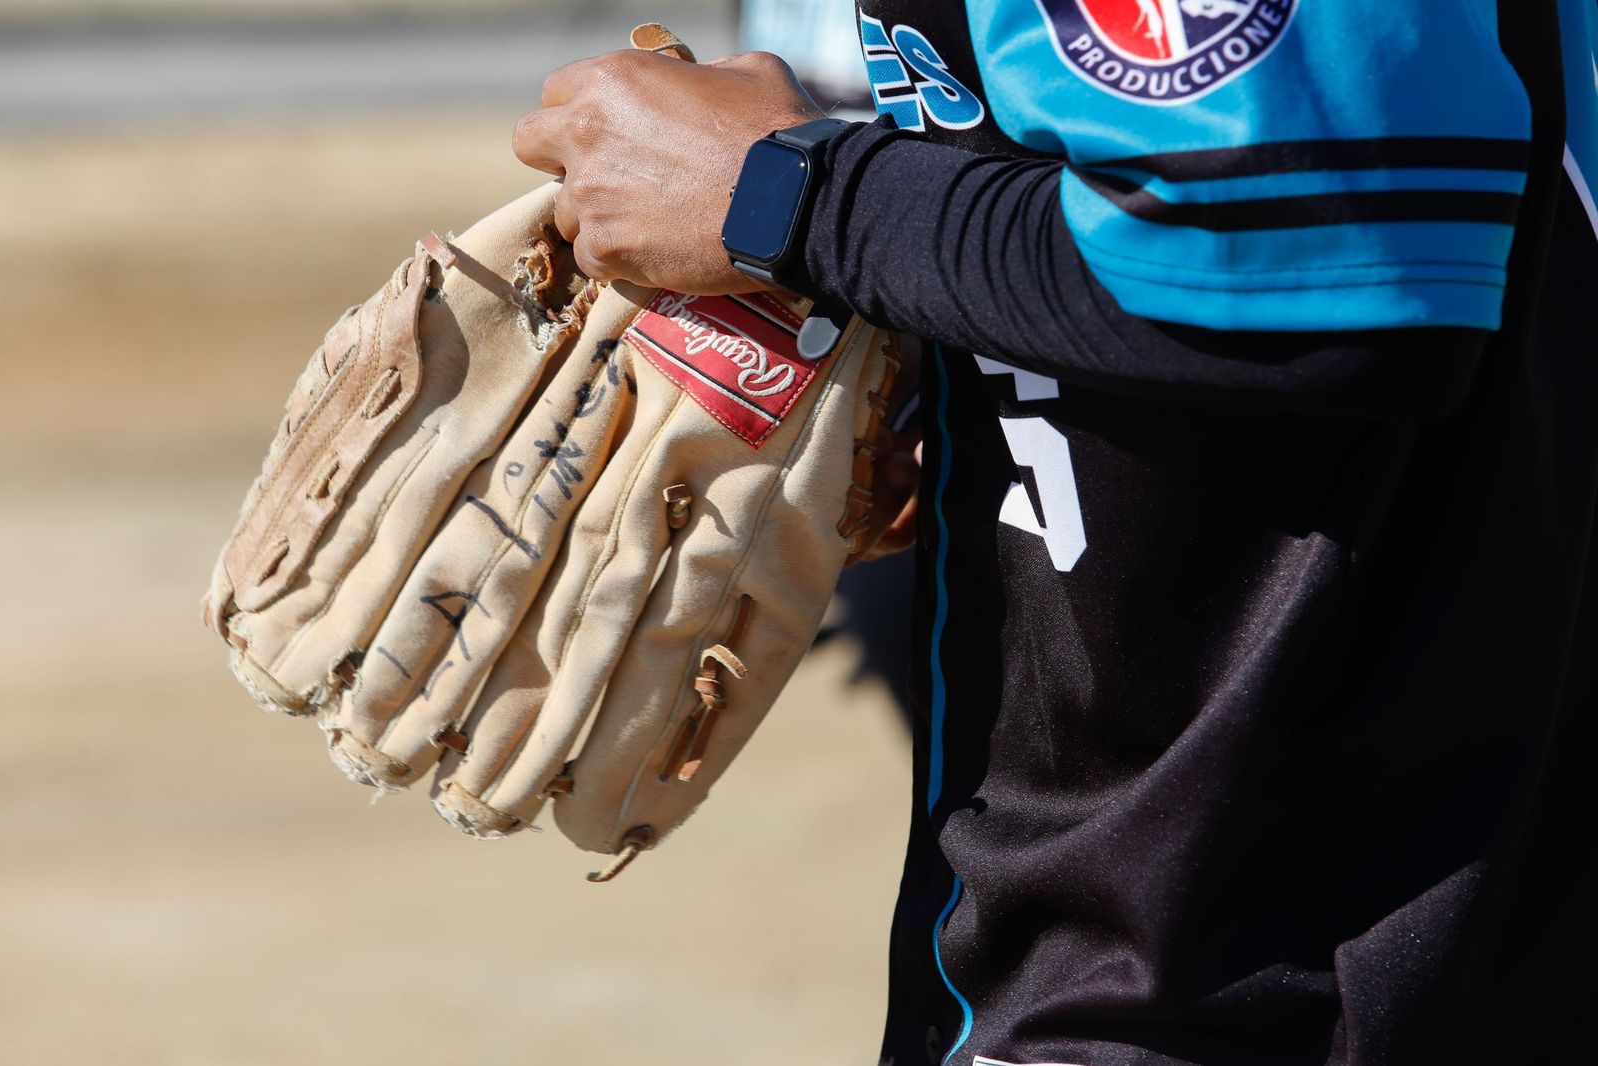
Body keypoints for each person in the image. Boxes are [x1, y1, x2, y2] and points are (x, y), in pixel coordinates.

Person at [513, 1, 1598, 1062]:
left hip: (1259, 943)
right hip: (1189, 896)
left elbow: (1323, 262)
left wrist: (786, 193)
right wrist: (937, 388)